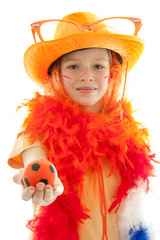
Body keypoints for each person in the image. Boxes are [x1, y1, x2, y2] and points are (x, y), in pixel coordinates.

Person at [9, 12, 160, 240]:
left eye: (98, 66)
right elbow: (35, 158)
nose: (87, 76)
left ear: (112, 73)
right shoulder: (39, 127)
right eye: (73, 67)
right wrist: (42, 181)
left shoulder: (127, 133)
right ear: (57, 74)